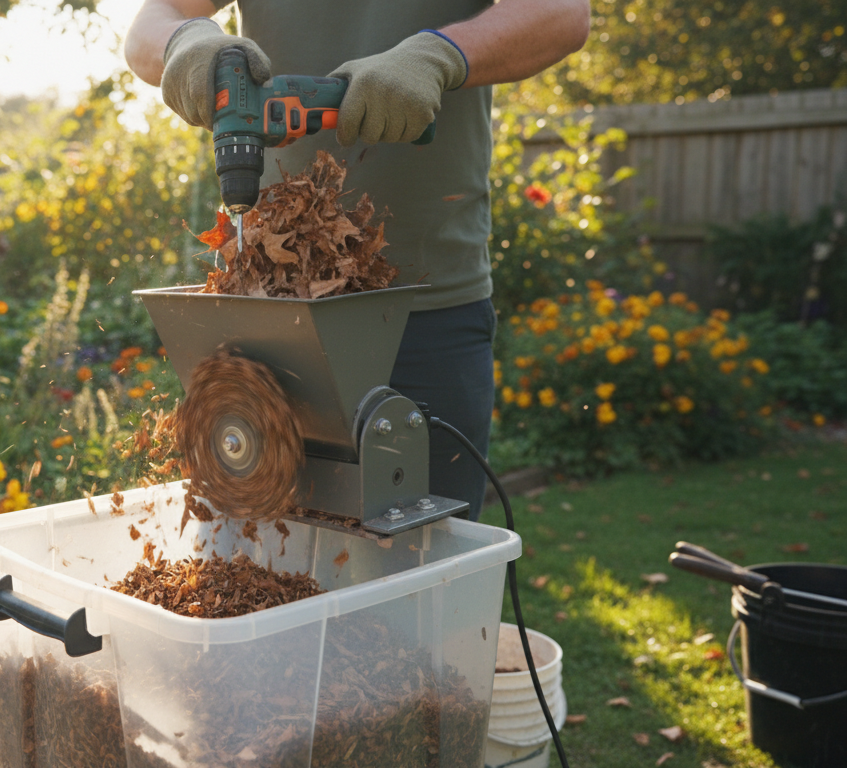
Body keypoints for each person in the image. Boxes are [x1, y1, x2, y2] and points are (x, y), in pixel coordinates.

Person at [125, 0, 588, 521]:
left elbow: (564, 13)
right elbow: (154, 18)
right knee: (257, 559)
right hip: (273, 315)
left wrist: (438, 56)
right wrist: (183, 42)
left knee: (427, 570)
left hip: (428, 308)